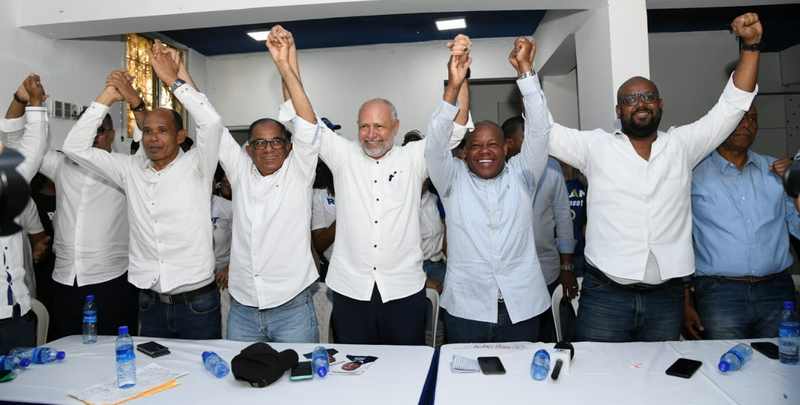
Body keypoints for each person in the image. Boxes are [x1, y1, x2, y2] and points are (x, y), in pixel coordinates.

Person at [544, 13, 762, 342]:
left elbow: (731, 107)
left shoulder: (682, 146)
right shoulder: (596, 148)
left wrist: (751, 46)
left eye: (647, 97)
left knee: (661, 372)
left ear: (660, 105)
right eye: (629, 100)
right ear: (619, 111)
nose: (640, 104)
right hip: (606, 296)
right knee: (597, 372)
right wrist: (526, 76)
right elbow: (544, 132)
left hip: (666, 298)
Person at [279, 28, 471, 345]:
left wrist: (460, 78)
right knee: (354, 369)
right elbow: (303, 119)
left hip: (404, 292)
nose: (371, 134)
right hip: (350, 292)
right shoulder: (343, 155)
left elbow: (456, 127)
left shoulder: (414, 157)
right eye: (364, 126)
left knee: (405, 369)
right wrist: (286, 64)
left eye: (379, 126)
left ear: (396, 127)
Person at [62, 42, 224, 339]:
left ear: (180, 136)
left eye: (162, 131)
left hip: (197, 303)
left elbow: (211, 122)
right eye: (147, 131)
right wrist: (108, 97)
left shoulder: (198, 165)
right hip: (149, 302)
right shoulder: (129, 169)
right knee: (151, 366)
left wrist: (173, 81)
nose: (153, 138)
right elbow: (74, 147)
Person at [425, 35, 551, 343]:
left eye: (492, 144)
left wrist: (525, 71)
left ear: (507, 148)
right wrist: (453, 86)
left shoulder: (524, 174)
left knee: (523, 375)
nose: (484, 151)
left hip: (522, 307)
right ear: (464, 152)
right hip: (466, 310)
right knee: (464, 375)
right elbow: (435, 144)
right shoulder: (451, 180)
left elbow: (539, 129)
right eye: (476, 145)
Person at [219, 26, 320, 343]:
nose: (269, 148)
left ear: (288, 147)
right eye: (260, 143)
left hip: (292, 308)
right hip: (243, 309)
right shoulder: (240, 172)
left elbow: (305, 122)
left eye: (276, 141)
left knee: (300, 375)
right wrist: (179, 79)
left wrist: (286, 65)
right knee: (240, 375)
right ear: (248, 149)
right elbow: (210, 123)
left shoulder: (299, 172)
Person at [684, 105, 800, 339]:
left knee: (780, 360)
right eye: (740, 119)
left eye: (753, 119)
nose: (747, 125)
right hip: (720, 294)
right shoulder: (693, 175)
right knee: (723, 359)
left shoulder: (776, 171)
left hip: (776, 291)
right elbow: (678, 239)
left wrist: (796, 184)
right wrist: (684, 301)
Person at [37, 106, 136, 340]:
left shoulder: (125, 168)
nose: (92, 136)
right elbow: (26, 147)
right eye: (88, 130)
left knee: (113, 350)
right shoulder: (60, 164)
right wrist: (32, 105)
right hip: (64, 279)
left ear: (111, 134)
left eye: (99, 130)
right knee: (66, 350)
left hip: (110, 279)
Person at [0, 74, 48, 353]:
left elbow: (26, 148)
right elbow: (31, 150)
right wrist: (36, 104)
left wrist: (26, 101)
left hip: (16, 312)